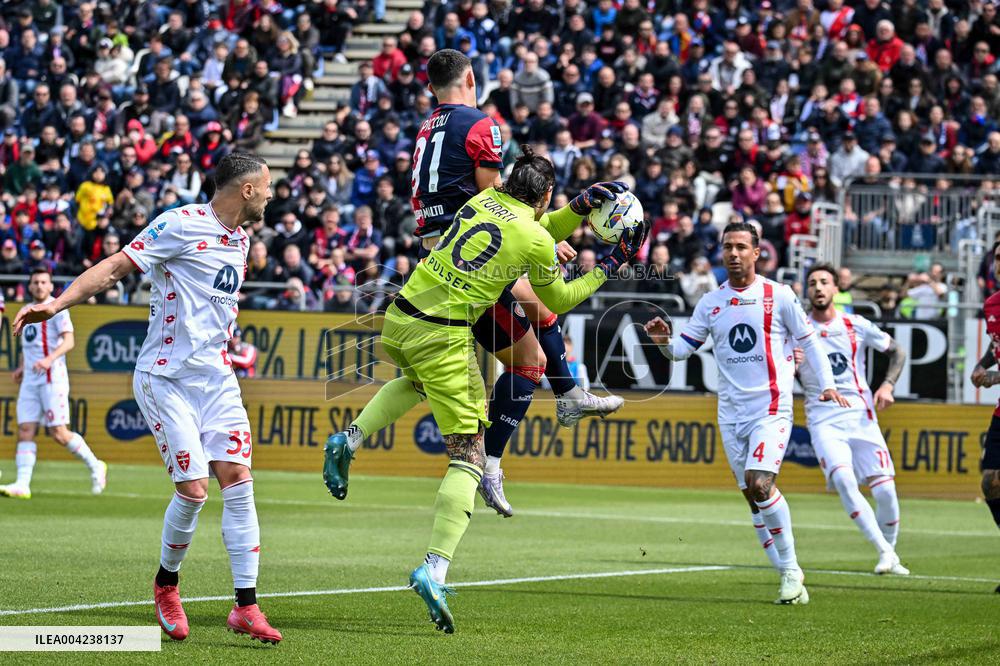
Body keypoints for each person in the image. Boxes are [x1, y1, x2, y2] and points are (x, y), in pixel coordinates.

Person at [328, 149, 646, 633]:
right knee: (468, 459)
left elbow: (531, 233)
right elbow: (556, 298)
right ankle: (434, 569)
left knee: (412, 382)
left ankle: (349, 438)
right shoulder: (534, 233)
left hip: (401, 316)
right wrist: (610, 265)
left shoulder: (481, 201)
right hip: (443, 334)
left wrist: (578, 207)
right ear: (544, 196)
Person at [324, 50, 623, 518]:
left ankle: (353, 436)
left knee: (431, 371)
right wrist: (564, 241)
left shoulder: (427, 126)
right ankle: (496, 462)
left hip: (440, 253)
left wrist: (573, 211)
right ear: (470, 78)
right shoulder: (482, 124)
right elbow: (498, 203)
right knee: (533, 355)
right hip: (475, 259)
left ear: (431, 88)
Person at [12, 153, 282, 644]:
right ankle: (166, 584)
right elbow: (116, 267)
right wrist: (56, 303)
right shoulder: (180, 223)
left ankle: (246, 606)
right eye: (266, 186)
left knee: (239, 480)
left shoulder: (241, 240)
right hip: (166, 378)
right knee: (195, 490)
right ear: (245, 189)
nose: (271, 194)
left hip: (217, 378)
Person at [644, 221, 848, 605]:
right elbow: (683, 351)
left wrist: (827, 384)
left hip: (771, 406)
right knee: (752, 498)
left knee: (760, 484)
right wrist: (663, 343)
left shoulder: (779, 295)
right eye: (727, 247)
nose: (733, 254)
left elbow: (809, 341)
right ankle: (790, 579)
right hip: (730, 412)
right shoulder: (711, 301)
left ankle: (790, 569)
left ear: (757, 252)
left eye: (741, 247)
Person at [797, 264, 909, 575]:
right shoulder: (798, 332)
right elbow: (780, 370)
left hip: (860, 415)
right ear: (807, 291)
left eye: (824, 282)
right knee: (844, 480)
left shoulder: (854, 325)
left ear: (835, 289)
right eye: (812, 283)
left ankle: (890, 553)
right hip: (823, 418)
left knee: (885, 490)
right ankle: (884, 551)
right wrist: (789, 364)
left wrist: (887, 385)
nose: (818, 288)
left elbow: (898, 351)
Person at [0, 268, 107, 500]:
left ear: (50, 286)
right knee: (25, 429)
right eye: (35, 282)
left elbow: (69, 341)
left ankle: (96, 464)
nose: (39, 286)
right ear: (29, 286)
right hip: (30, 379)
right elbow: (28, 345)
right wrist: (21, 366)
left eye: (43, 282)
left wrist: (49, 359)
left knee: (59, 433)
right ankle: (22, 484)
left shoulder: (57, 308)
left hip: (52, 378)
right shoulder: (25, 310)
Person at [969, 241, 1000, 594]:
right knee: (990, 481)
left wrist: (993, 377)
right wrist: (983, 364)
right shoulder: (992, 303)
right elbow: (998, 346)